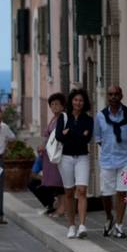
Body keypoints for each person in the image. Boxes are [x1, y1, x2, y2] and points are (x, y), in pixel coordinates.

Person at [94, 85, 127, 239]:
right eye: (110, 94)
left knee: (123, 192)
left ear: (121, 95)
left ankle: (119, 226)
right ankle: (109, 217)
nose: (113, 97)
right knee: (106, 194)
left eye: (116, 94)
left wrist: (126, 148)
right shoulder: (100, 117)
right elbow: (98, 138)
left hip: (126, 159)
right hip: (107, 160)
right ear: (107, 97)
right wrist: (110, 148)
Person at [55, 88, 93, 239]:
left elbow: (86, 139)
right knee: (69, 193)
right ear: (71, 101)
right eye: (76, 100)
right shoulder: (63, 117)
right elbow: (59, 136)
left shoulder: (88, 120)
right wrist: (78, 133)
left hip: (82, 157)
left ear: (84, 103)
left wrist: (70, 133)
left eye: (81, 100)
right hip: (66, 158)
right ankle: (71, 225)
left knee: (82, 190)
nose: (78, 103)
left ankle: (82, 225)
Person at [38, 93, 67, 217]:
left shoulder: (63, 118)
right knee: (55, 183)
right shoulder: (53, 118)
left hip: (58, 154)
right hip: (49, 155)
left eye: (57, 104)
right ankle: (58, 205)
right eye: (52, 104)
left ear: (62, 106)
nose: (54, 106)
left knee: (60, 182)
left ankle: (62, 207)